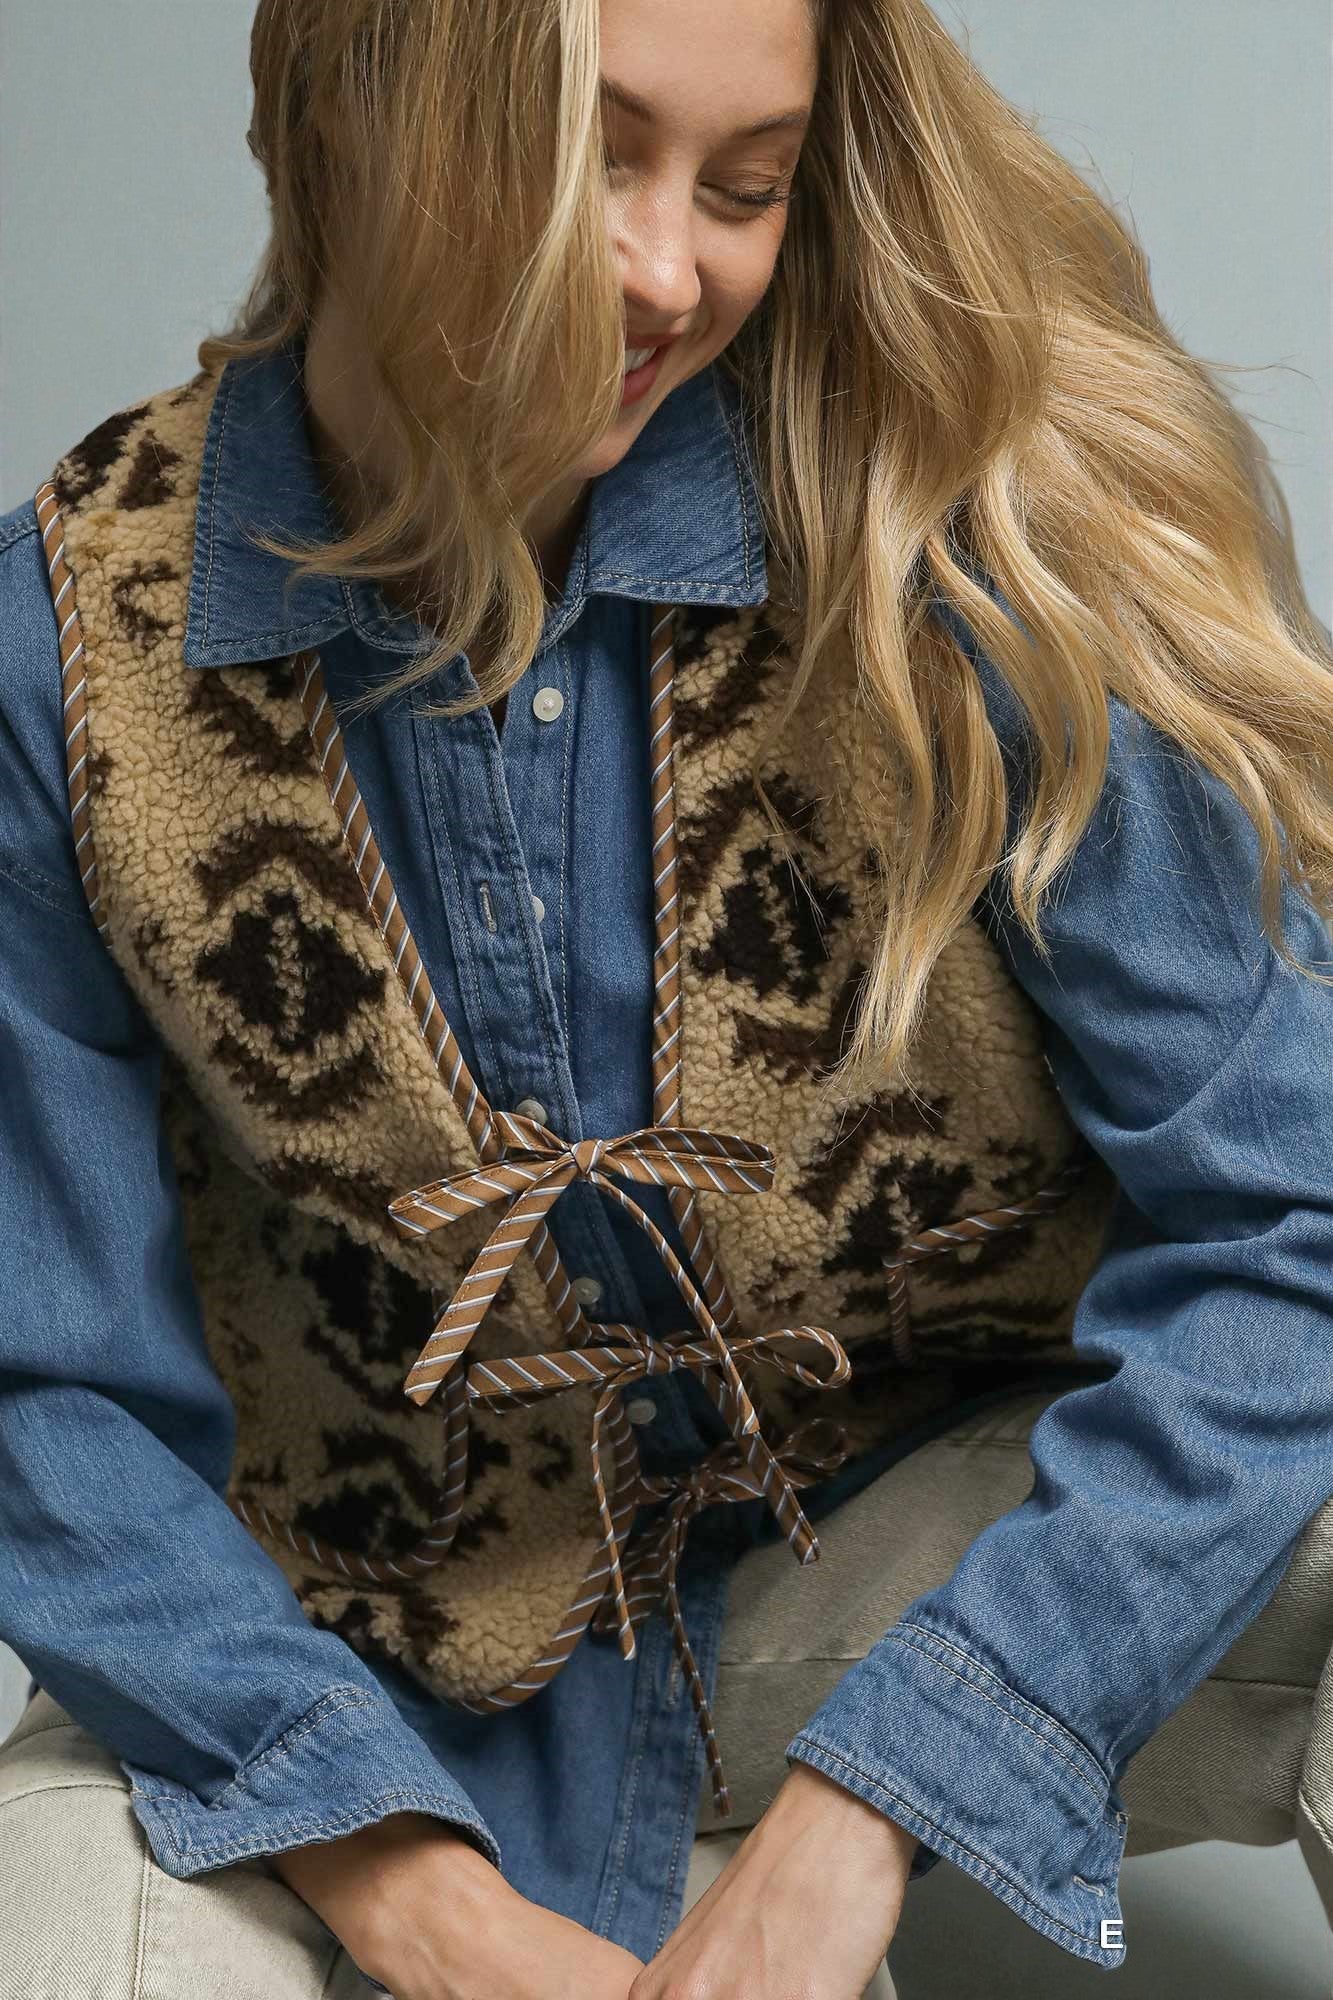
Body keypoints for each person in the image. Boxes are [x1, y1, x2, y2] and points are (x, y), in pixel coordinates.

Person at [2, 0, 1332, 1994]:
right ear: (352, 111)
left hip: (905, 1543)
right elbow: (52, 1392)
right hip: (335, 1643)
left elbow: (1295, 1214)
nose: (658, 270)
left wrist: (894, 1782)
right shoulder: (63, 656)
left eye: (743, 187)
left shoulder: (944, 543)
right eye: (583, 158)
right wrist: (412, 1899)